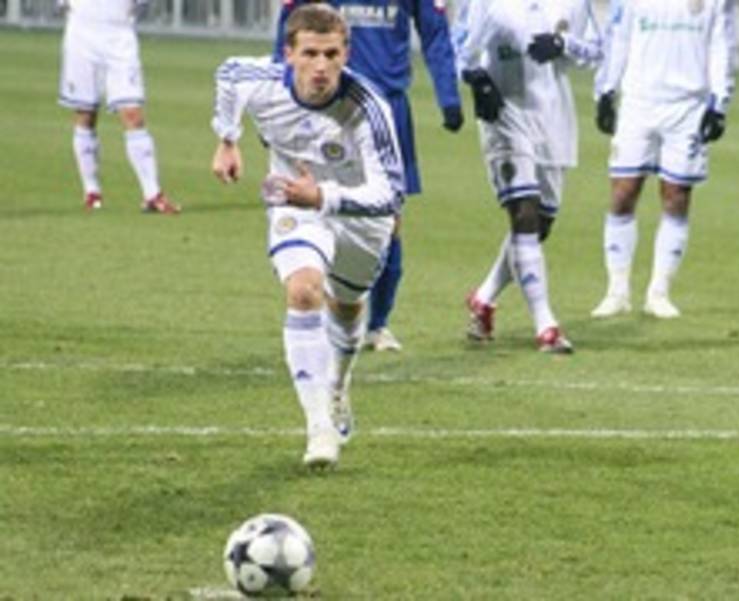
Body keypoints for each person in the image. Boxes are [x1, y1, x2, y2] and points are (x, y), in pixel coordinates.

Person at [211, 4, 404, 468]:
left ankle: (337, 384)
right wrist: (228, 139)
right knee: (303, 291)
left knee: (347, 306)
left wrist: (323, 196)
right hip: (295, 205)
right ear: (289, 53)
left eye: (331, 54)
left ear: (346, 54)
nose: (321, 66)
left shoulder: (368, 108)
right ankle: (320, 427)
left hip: (357, 215)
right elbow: (228, 73)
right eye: (310, 53)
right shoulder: (259, 80)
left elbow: (390, 194)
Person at [273, 0, 463, 352]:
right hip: (326, 107)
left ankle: (377, 325)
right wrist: (279, 103)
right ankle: (321, 300)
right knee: (315, 205)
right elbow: (289, 32)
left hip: (387, 107)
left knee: (389, 220)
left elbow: (435, 33)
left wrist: (448, 96)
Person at [454, 0, 602, 353]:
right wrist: (477, 80)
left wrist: (564, 44)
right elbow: (457, 48)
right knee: (523, 212)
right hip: (503, 113)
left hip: (553, 119)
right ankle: (545, 325)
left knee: (540, 224)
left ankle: (483, 297)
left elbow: (598, 51)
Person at [590, 0, 735, 319]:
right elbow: (618, 37)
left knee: (676, 196)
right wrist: (605, 92)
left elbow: (721, 45)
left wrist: (719, 103)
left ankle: (659, 292)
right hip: (638, 103)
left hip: (688, 106)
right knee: (623, 192)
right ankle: (617, 291)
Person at [57, 0, 180, 214]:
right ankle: (92, 191)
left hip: (119, 37)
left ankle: (152, 194)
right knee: (86, 113)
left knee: (133, 114)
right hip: (81, 36)